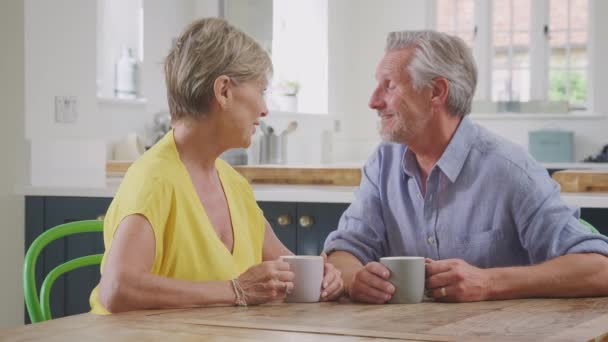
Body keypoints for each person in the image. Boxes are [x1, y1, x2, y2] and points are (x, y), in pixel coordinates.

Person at [324, 30, 608, 303]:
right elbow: (345, 252)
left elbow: (599, 269)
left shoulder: (510, 171)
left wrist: (489, 283)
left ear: (436, 91)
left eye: (390, 86)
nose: (373, 101)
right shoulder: (382, 163)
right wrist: (355, 279)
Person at [90, 18, 343, 314]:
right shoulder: (154, 179)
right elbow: (117, 289)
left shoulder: (234, 184)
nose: (265, 109)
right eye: (261, 90)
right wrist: (235, 290)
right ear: (223, 91)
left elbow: (287, 272)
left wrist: (323, 278)